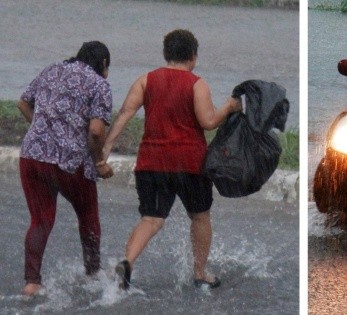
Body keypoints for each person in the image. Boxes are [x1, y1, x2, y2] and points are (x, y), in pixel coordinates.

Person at [101, 29, 242, 290]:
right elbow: (209, 122)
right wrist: (229, 108)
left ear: (166, 54)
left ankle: (128, 262)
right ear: (192, 57)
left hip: (151, 163)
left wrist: (106, 148)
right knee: (200, 216)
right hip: (190, 164)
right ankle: (200, 273)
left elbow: (125, 113)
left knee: (151, 219)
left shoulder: (146, 80)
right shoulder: (197, 84)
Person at [17, 41, 114, 296]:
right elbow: (95, 131)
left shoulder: (51, 70)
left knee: (40, 220)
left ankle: (32, 283)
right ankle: (93, 272)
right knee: (88, 215)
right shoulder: (98, 83)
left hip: (32, 156)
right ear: (103, 64)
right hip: (70, 163)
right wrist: (99, 162)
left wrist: (44, 130)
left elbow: (23, 103)